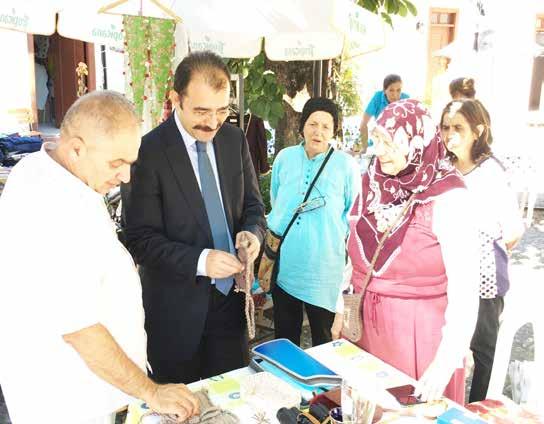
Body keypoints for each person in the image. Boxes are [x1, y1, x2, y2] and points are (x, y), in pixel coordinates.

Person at [0, 91, 199, 424]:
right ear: (76, 148)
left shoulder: (55, 168)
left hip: (87, 390)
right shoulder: (51, 208)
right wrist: (151, 392)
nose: (126, 177)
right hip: (66, 400)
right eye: (116, 163)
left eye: (130, 163)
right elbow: (79, 328)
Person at [122, 51, 266, 385]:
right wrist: (202, 261)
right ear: (176, 99)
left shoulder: (233, 140)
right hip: (175, 315)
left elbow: (254, 208)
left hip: (230, 306)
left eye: (221, 110)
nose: (213, 123)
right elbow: (140, 240)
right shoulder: (147, 152)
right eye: (202, 111)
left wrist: (251, 235)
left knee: (231, 402)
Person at [335, 99, 480, 404]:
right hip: (363, 330)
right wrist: (341, 306)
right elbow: (354, 256)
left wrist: (444, 364)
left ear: (417, 142)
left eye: (390, 142)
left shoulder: (449, 198)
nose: (379, 151)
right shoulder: (372, 181)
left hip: (417, 341)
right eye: (377, 141)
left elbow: (465, 292)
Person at [440, 99, 524, 402]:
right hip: (444, 274)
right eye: (446, 126)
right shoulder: (441, 169)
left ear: (478, 130)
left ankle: (476, 409)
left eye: (458, 127)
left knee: (483, 351)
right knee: (447, 345)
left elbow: (513, 231)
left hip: (484, 276)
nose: (450, 134)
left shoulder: (491, 173)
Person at [267, 98, 359, 347]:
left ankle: (325, 388)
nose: (318, 132)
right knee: (284, 342)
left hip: (326, 272)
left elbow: (352, 214)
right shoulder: (285, 158)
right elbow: (278, 202)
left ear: (334, 131)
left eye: (326, 126)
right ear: (302, 126)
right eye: (313, 123)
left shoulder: (346, 165)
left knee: (326, 343)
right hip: (288, 268)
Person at [359, 74, 410, 153]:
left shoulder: (406, 99)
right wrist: (364, 148)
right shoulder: (377, 98)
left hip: (399, 143)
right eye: (391, 90)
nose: (395, 95)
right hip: (381, 141)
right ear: (384, 90)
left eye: (398, 90)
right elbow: (363, 123)